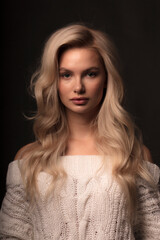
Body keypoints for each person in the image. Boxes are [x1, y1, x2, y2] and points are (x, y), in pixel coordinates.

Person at [0, 23, 160, 239]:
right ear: (53, 81)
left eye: (90, 74)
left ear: (106, 80)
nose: (78, 87)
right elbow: (12, 235)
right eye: (66, 75)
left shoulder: (133, 157)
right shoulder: (29, 160)